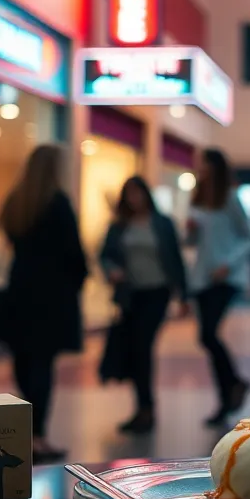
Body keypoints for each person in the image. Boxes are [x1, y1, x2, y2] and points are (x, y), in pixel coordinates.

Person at [0, 145, 87, 463]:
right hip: (51, 294)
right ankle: (38, 436)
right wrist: (77, 282)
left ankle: (29, 430)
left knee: (23, 359)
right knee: (42, 364)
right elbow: (74, 255)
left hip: (19, 289)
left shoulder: (16, 202)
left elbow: (10, 239)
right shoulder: (58, 203)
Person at [100, 176, 187, 435]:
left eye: (138, 193)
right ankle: (142, 408)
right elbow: (105, 255)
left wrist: (184, 295)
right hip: (130, 295)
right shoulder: (119, 226)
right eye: (129, 194)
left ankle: (146, 408)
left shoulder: (162, 224)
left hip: (157, 293)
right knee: (136, 349)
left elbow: (175, 258)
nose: (134, 199)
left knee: (143, 345)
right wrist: (112, 270)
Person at [187, 148, 250, 425]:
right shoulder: (197, 198)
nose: (198, 167)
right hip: (202, 278)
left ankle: (234, 385)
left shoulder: (230, 198)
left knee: (208, 334)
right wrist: (189, 231)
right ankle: (227, 397)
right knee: (207, 337)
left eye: (202, 162)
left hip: (225, 277)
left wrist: (229, 262)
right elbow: (193, 242)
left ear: (214, 166)